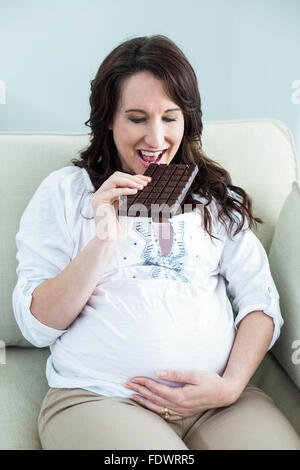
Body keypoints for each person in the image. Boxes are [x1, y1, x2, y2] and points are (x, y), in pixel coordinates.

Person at [13, 35, 300, 450]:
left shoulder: (211, 198)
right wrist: (104, 237)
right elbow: (37, 326)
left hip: (218, 401)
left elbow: (260, 302)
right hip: (102, 398)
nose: (156, 138)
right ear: (108, 119)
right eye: (136, 118)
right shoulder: (65, 192)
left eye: (170, 117)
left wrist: (230, 386)